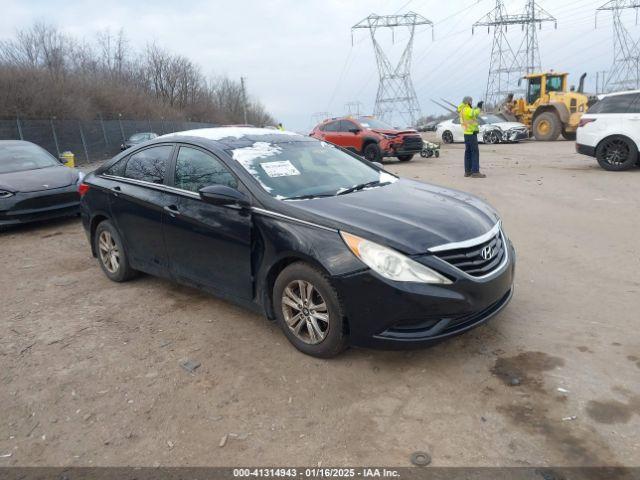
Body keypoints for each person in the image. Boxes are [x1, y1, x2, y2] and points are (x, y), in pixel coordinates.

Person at [457, 96, 486, 178]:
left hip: (467, 133)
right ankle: (475, 172)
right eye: (471, 101)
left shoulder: (463, 109)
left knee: (468, 153)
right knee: (475, 153)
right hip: (471, 133)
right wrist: (479, 108)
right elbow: (474, 113)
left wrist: (476, 107)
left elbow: (472, 113)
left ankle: (468, 171)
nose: (471, 103)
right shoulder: (466, 109)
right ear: (467, 102)